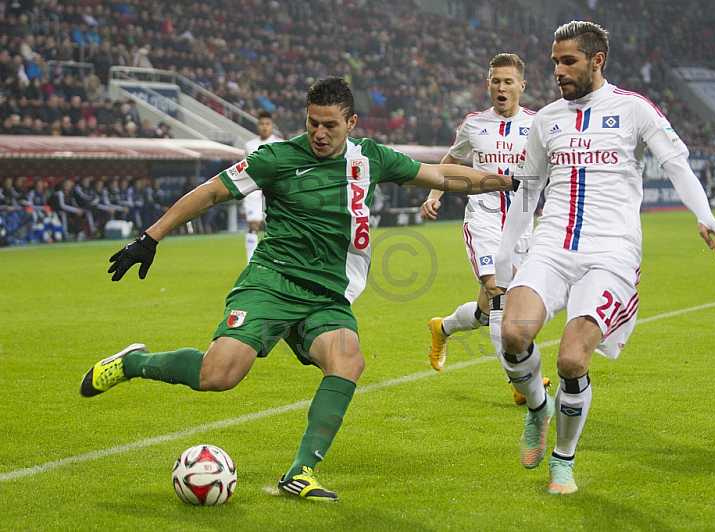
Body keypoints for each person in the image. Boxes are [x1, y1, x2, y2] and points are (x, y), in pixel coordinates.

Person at [80, 77, 512, 502]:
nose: (320, 134)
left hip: (327, 294)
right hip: (272, 281)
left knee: (348, 361)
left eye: (330, 126)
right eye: (312, 124)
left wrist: (506, 181)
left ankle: (300, 472)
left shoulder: (370, 159)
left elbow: (440, 174)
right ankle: (134, 362)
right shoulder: (276, 158)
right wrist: (149, 238)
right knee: (218, 376)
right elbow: (212, 192)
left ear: (352, 122)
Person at [494, 21, 715, 495]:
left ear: (597, 60)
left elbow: (674, 162)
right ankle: (539, 409)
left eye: (568, 61)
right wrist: (504, 253)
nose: (558, 70)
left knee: (572, 361)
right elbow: (529, 191)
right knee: (512, 333)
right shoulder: (547, 120)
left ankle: (563, 460)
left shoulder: (632, 109)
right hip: (552, 245)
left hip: (611, 253)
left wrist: (706, 216)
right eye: (555, 62)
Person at [419, 53, 539, 405]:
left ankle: (443, 327)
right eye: (495, 81)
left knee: (488, 311)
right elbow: (450, 162)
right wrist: (434, 194)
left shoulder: (539, 124)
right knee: (502, 294)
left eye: (507, 81)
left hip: (520, 226)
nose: (501, 87)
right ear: (488, 84)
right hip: (483, 220)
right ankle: (518, 382)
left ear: (521, 86)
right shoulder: (474, 124)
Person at [242, 110, 282, 262]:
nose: (265, 127)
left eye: (268, 124)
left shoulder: (279, 143)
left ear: (272, 126)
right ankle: (250, 262)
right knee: (253, 224)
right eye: (262, 124)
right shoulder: (249, 145)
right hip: (253, 190)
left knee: (270, 225)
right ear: (257, 126)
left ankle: (269, 260)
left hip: (272, 190)